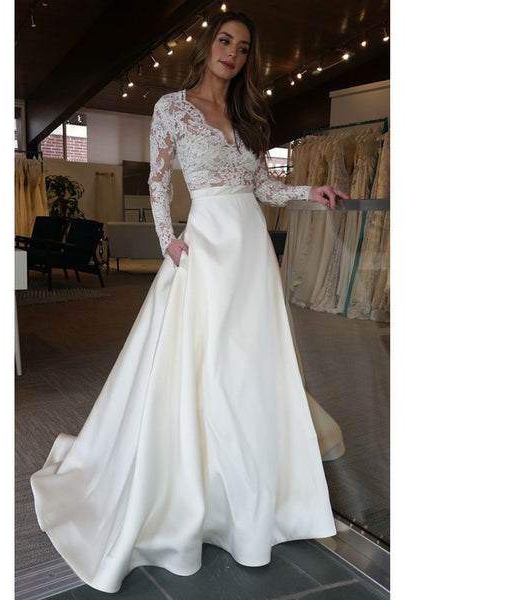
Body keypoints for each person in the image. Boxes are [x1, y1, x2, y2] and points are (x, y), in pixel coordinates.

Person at [30, 11, 349, 594]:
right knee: (207, 366)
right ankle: (203, 492)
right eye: (225, 41)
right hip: (204, 247)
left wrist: (310, 191)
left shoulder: (248, 116)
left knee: (249, 366)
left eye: (243, 48)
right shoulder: (172, 109)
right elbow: (158, 181)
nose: (232, 53)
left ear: (248, 59)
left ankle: (255, 492)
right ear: (208, 46)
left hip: (251, 253)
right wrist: (167, 241)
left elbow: (262, 187)